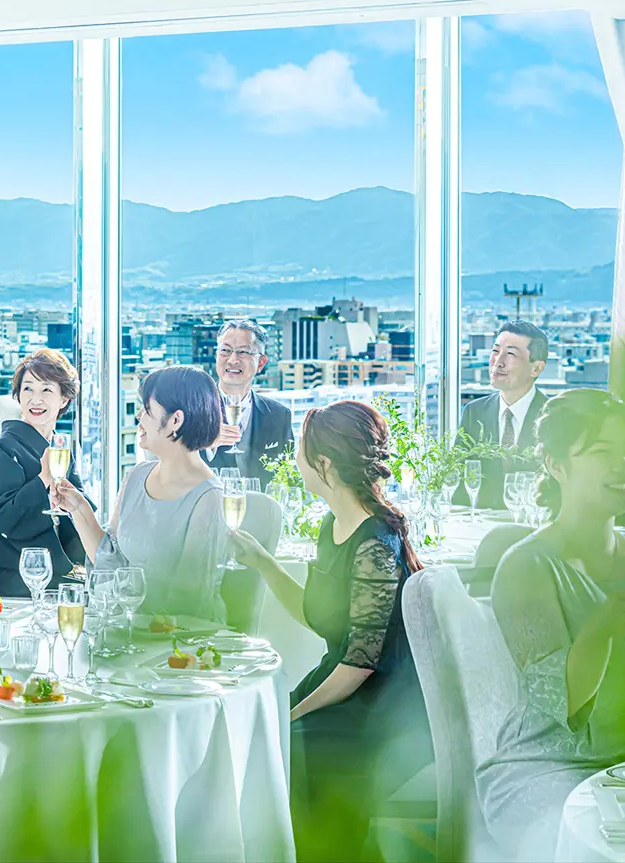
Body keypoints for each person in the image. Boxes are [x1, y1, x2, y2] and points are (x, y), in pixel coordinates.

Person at [480, 390, 625, 862]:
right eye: (603, 451)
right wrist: (602, 625)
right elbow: (563, 703)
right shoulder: (527, 566)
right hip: (546, 770)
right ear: (556, 465)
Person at [231, 401, 430, 862]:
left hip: (383, 702)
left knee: (292, 749)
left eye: (301, 450)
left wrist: (293, 714)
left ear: (324, 464)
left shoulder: (375, 543)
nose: (296, 458)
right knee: (263, 739)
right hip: (340, 679)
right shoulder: (333, 524)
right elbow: (316, 615)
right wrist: (262, 561)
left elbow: (360, 665)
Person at [53, 366, 227, 623]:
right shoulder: (136, 476)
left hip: (179, 637)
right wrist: (78, 508)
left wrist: (128, 623)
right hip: (129, 624)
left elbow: (189, 599)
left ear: (175, 420)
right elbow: (111, 559)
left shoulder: (209, 497)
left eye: (147, 410)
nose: (139, 417)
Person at [0, 348, 89, 596]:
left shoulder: (59, 449)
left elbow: (83, 506)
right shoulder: (2, 449)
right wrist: (43, 478)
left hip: (53, 567)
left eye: (46, 390)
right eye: (28, 389)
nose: (35, 400)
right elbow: (6, 519)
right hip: (14, 573)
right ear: (18, 396)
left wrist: (69, 502)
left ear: (64, 399)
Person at [457, 320, 550, 512]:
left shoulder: (553, 415)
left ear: (536, 368)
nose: (498, 362)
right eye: (495, 351)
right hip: (480, 522)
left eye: (511, 354)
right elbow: (458, 479)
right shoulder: (474, 411)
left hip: (534, 523)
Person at [206, 319, 294, 489]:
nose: (232, 360)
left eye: (243, 352)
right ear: (216, 356)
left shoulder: (279, 415)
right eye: (225, 350)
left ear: (261, 363)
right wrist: (206, 445)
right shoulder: (191, 410)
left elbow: (288, 478)